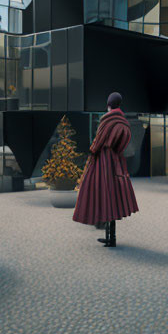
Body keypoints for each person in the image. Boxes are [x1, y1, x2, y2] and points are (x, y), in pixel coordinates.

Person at [72, 91, 139, 247]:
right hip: (117, 160)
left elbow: (98, 142)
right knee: (114, 198)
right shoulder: (124, 122)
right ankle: (112, 237)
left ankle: (108, 236)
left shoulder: (107, 120)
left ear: (109, 104)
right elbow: (125, 141)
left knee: (102, 195)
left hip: (103, 161)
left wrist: (93, 150)